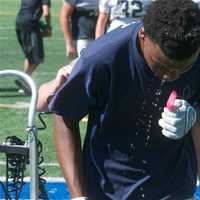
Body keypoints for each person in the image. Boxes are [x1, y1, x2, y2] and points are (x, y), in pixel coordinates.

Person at [48, 0, 200, 199]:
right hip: (109, 190)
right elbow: (64, 115)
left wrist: (195, 115)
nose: (172, 76)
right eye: (162, 66)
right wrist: (78, 195)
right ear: (144, 36)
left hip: (175, 188)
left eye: (184, 68)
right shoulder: (102, 58)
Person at [15, 0, 52, 94]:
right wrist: (48, 27)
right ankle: (23, 78)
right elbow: (46, 13)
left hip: (19, 22)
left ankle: (25, 84)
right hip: (30, 24)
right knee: (37, 57)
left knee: (29, 55)